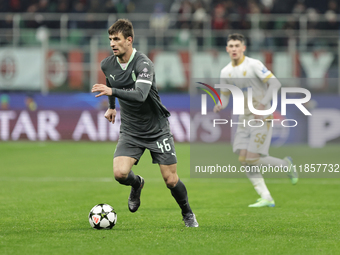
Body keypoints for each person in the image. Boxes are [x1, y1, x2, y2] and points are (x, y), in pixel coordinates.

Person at [91, 19, 198, 227]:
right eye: (110, 39)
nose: (112, 43)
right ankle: (137, 183)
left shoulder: (144, 63)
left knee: (171, 180)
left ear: (129, 40)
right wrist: (111, 106)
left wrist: (112, 92)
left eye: (117, 39)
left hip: (157, 129)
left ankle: (187, 213)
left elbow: (140, 95)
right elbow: (110, 80)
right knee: (120, 174)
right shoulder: (107, 64)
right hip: (131, 129)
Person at [213, 33, 298, 207]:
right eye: (231, 46)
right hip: (243, 118)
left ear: (243, 48)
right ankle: (266, 197)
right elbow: (225, 95)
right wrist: (220, 104)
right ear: (227, 49)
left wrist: (262, 105)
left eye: (237, 45)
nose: (234, 49)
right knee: (244, 159)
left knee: (251, 158)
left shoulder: (254, 65)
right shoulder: (225, 71)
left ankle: (285, 165)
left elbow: (275, 84)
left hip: (261, 115)